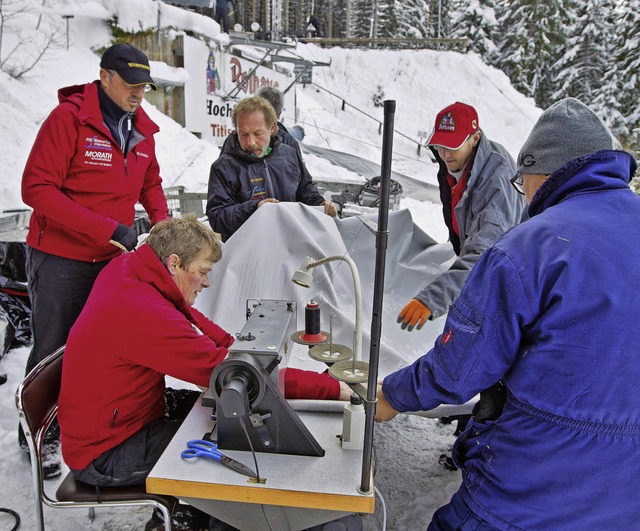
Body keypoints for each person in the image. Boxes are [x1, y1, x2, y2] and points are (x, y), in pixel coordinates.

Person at [376, 97, 640, 529]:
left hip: (536, 484)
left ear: (542, 172)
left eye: (524, 181)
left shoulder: (529, 247)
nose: (525, 194)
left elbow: (462, 364)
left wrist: (395, 394)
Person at [58, 215, 348, 530]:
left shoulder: (132, 269)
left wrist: (234, 343)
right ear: (173, 263)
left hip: (120, 416)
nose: (207, 282)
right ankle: (187, 518)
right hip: (106, 452)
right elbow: (233, 373)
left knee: (222, 421)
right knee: (236, 446)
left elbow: (188, 316)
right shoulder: (140, 311)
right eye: (203, 272)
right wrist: (333, 389)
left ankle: (195, 509)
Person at [20, 42, 170, 478]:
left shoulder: (142, 130)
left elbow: (152, 185)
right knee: (54, 347)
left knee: (100, 350)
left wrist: (161, 224)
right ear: (105, 77)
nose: (139, 94)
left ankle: (88, 428)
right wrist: (108, 229)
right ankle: (37, 437)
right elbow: (37, 190)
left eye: (145, 86)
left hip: (112, 260)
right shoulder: (68, 120)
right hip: (60, 258)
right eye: (131, 85)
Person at [398, 102, 524, 331]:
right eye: (439, 146)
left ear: (475, 138)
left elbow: (486, 254)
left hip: (507, 286)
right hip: (482, 275)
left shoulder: (497, 180)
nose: (444, 154)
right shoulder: (459, 165)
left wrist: (432, 299)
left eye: (452, 146)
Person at [207, 95, 336, 240]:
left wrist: (319, 203)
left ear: (272, 128)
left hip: (289, 246)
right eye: (243, 134)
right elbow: (217, 217)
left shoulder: (289, 155)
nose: (251, 142)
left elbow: (305, 189)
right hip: (247, 253)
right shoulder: (224, 167)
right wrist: (255, 209)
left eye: (257, 133)